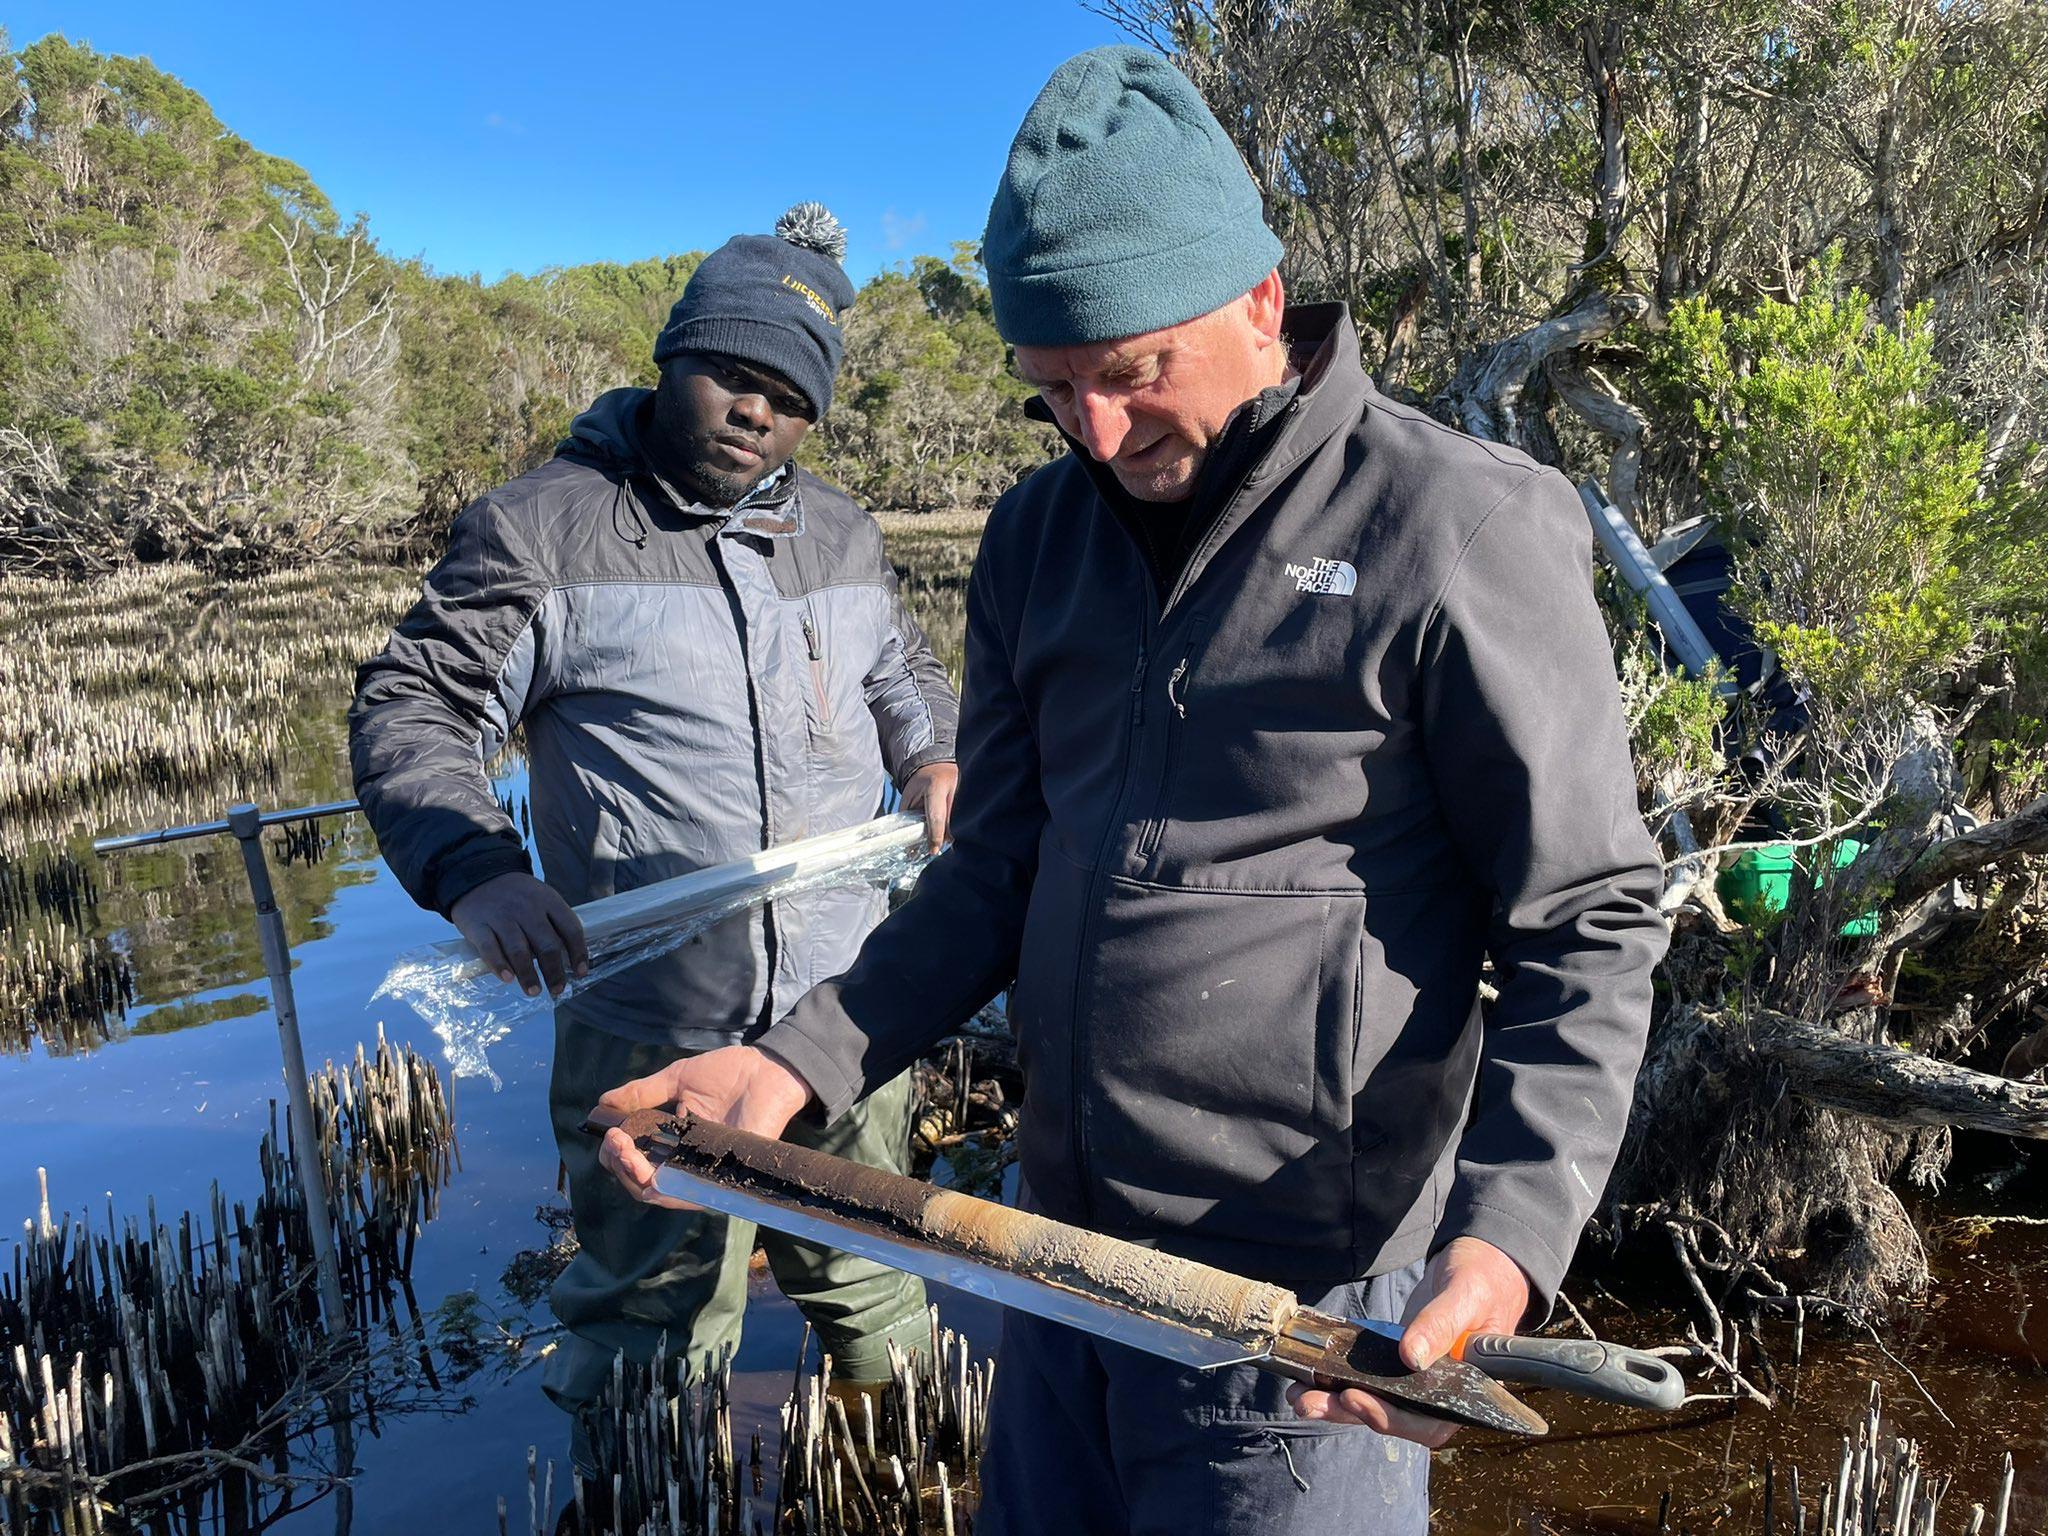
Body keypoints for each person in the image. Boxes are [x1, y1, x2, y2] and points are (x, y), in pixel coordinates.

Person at [597, 51, 1668, 1534]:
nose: (1099, 435)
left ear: (1259, 303)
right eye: (1053, 391)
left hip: (1304, 1315)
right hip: (1049, 1265)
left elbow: (1587, 921)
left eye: (1131, 370)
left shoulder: (1459, 526)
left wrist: (1503, 1246)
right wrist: (791, 1071)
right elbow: (993, 869)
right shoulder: (1040, 536)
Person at [349, 204, 960, 1474]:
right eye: (731, 374)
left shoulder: (840, 530)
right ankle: (642, 1494)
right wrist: (476, 869)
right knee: (651, 1325)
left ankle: (906, 1478)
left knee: (876, 1286)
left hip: (848, 1007)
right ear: (671, 355)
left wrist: (934, 751)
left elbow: (896, 671)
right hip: (649, 1013)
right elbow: (418, 705)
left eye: (787, 397)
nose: (754, 412)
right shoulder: (542, 527)